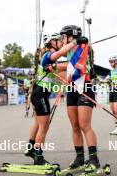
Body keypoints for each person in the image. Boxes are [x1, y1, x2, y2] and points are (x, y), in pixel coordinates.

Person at [25, 32, 87, 165]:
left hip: (39, 94)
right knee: (44, 126)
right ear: (53, 43)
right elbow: (60, 53)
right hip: (40, 95)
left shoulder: (51, 60)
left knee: (38, 123)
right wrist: (76, 42)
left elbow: (66, 67)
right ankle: (38, 157)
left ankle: (30, 149)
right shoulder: (48, 55)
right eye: (59, 41)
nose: (61, 43)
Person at [59, 25, 101, 172]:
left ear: (71, 37)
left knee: (85, 125)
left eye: (63, 37)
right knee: (75, 126)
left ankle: (94, 160)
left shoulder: (83, 48)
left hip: (85, 87)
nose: (61, 40)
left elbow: (76, 64)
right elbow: (59, 56)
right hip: (72, 89)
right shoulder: (68, 52)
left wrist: (82, 42)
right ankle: (79, 158)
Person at [102, 56, 117, 136]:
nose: (111, 63)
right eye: (110, 62)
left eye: (112, 62)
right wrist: (102, 81)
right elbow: (106, 79)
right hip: (111, 90)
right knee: (113, 111)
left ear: (116, 61)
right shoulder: (111, 71)